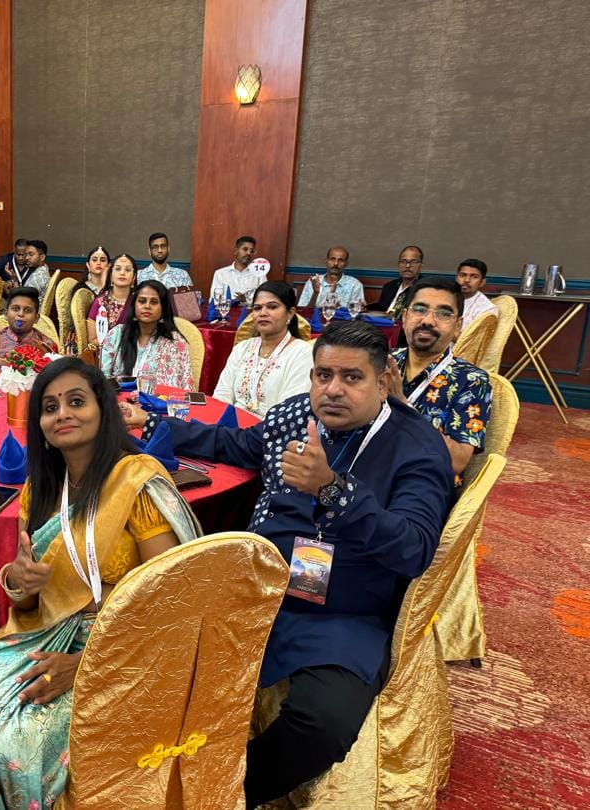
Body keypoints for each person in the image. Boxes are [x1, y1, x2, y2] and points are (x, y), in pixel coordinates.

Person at [122, 320, 453, 807]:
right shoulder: (297, 415)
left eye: (352, 377)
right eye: (323, 375)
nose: (332, 390)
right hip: (257, 581)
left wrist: (332, 490)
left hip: (346, 605)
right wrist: (150, 425)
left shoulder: (416, 445)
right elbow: (238, 446)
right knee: (153, 636)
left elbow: (414, 548)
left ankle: (224, 795)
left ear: (383, 381)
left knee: (323, 724)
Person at [0, 357, 201, 809]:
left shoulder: (136, 482)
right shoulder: (40, 489)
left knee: (9, 748)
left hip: (126, 645)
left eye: (76, 402)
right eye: (50, 407)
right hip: (46, 631)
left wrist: (85, 664)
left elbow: (168, 601)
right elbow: (30, 596)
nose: (63, 415)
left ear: (103, 409)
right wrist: (21, 582)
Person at [387, 277, 492, 480]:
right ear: (405, 317)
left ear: (457, 326)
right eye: (420, 309)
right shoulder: (383, 363)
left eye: (443, 314)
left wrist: (403, 406)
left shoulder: (471, 380)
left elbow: (457, 462)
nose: (428, 321)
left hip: (421, 481)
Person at [214, 281, 313, 416]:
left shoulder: (302, 353)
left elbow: (290, 411)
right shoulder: (242, 348)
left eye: (272, 307)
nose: (263, 313)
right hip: (230, 424)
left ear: (290, 313)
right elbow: (221, 395)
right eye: (257, 308)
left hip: (272, 427)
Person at [100, 279, 193, 390]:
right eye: (142, 301)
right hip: (117, 398)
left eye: (154, 302)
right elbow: (103, 379)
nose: (147, 306)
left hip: (158, 400)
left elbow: (178, 389)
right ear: (134, 305)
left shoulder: (175, 342)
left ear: (163, 308)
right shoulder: (116, 334)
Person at [0, 286, 58, 361]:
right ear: (6, 314)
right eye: (15, 309)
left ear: (36, 318)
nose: (20, 314)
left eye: (27, 310)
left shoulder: (47, 345)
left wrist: (46, 356)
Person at [86, 252, 136, 349]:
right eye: (118, 269)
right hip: (106, 353)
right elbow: (93, 340)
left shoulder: (139, 302)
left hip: (133, 352)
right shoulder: (100, 302)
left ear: (134, 277)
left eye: (127, 269)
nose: (122, 273)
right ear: (111, 276)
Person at [297, 246, 365, 309]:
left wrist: (338, 307)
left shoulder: (355, 285)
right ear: (326, 261)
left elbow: (355, 313)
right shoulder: (312, 282)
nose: (336, 263)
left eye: (341, 260)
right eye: (332, 259)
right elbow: (303, 312)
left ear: (346, 264)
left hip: (341, 319)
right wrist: (315, 294)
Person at [369, 245, 424, 318]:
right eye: (403, 261)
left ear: (421, 265)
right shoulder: (389, 287)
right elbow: (380, 311)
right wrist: (367, 310)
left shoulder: (424, 289)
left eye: (413, 262)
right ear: (399, 264)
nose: (407, 266)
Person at [210, 235, 266, 303]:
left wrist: (246, 301)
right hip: (226, 309)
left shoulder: (259, 273)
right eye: (245, 249)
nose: (248, 253)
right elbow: (214, 300)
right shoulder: (220, 274)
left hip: (251, 310)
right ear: (236, 251)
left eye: (251, 251)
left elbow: (264, 299)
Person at [456, 258, 498, 326]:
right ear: (456, 278)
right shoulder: (445, 296)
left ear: (482, 282)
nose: (467, 280)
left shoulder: (487, 309)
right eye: (463, 275)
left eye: (474, 277)